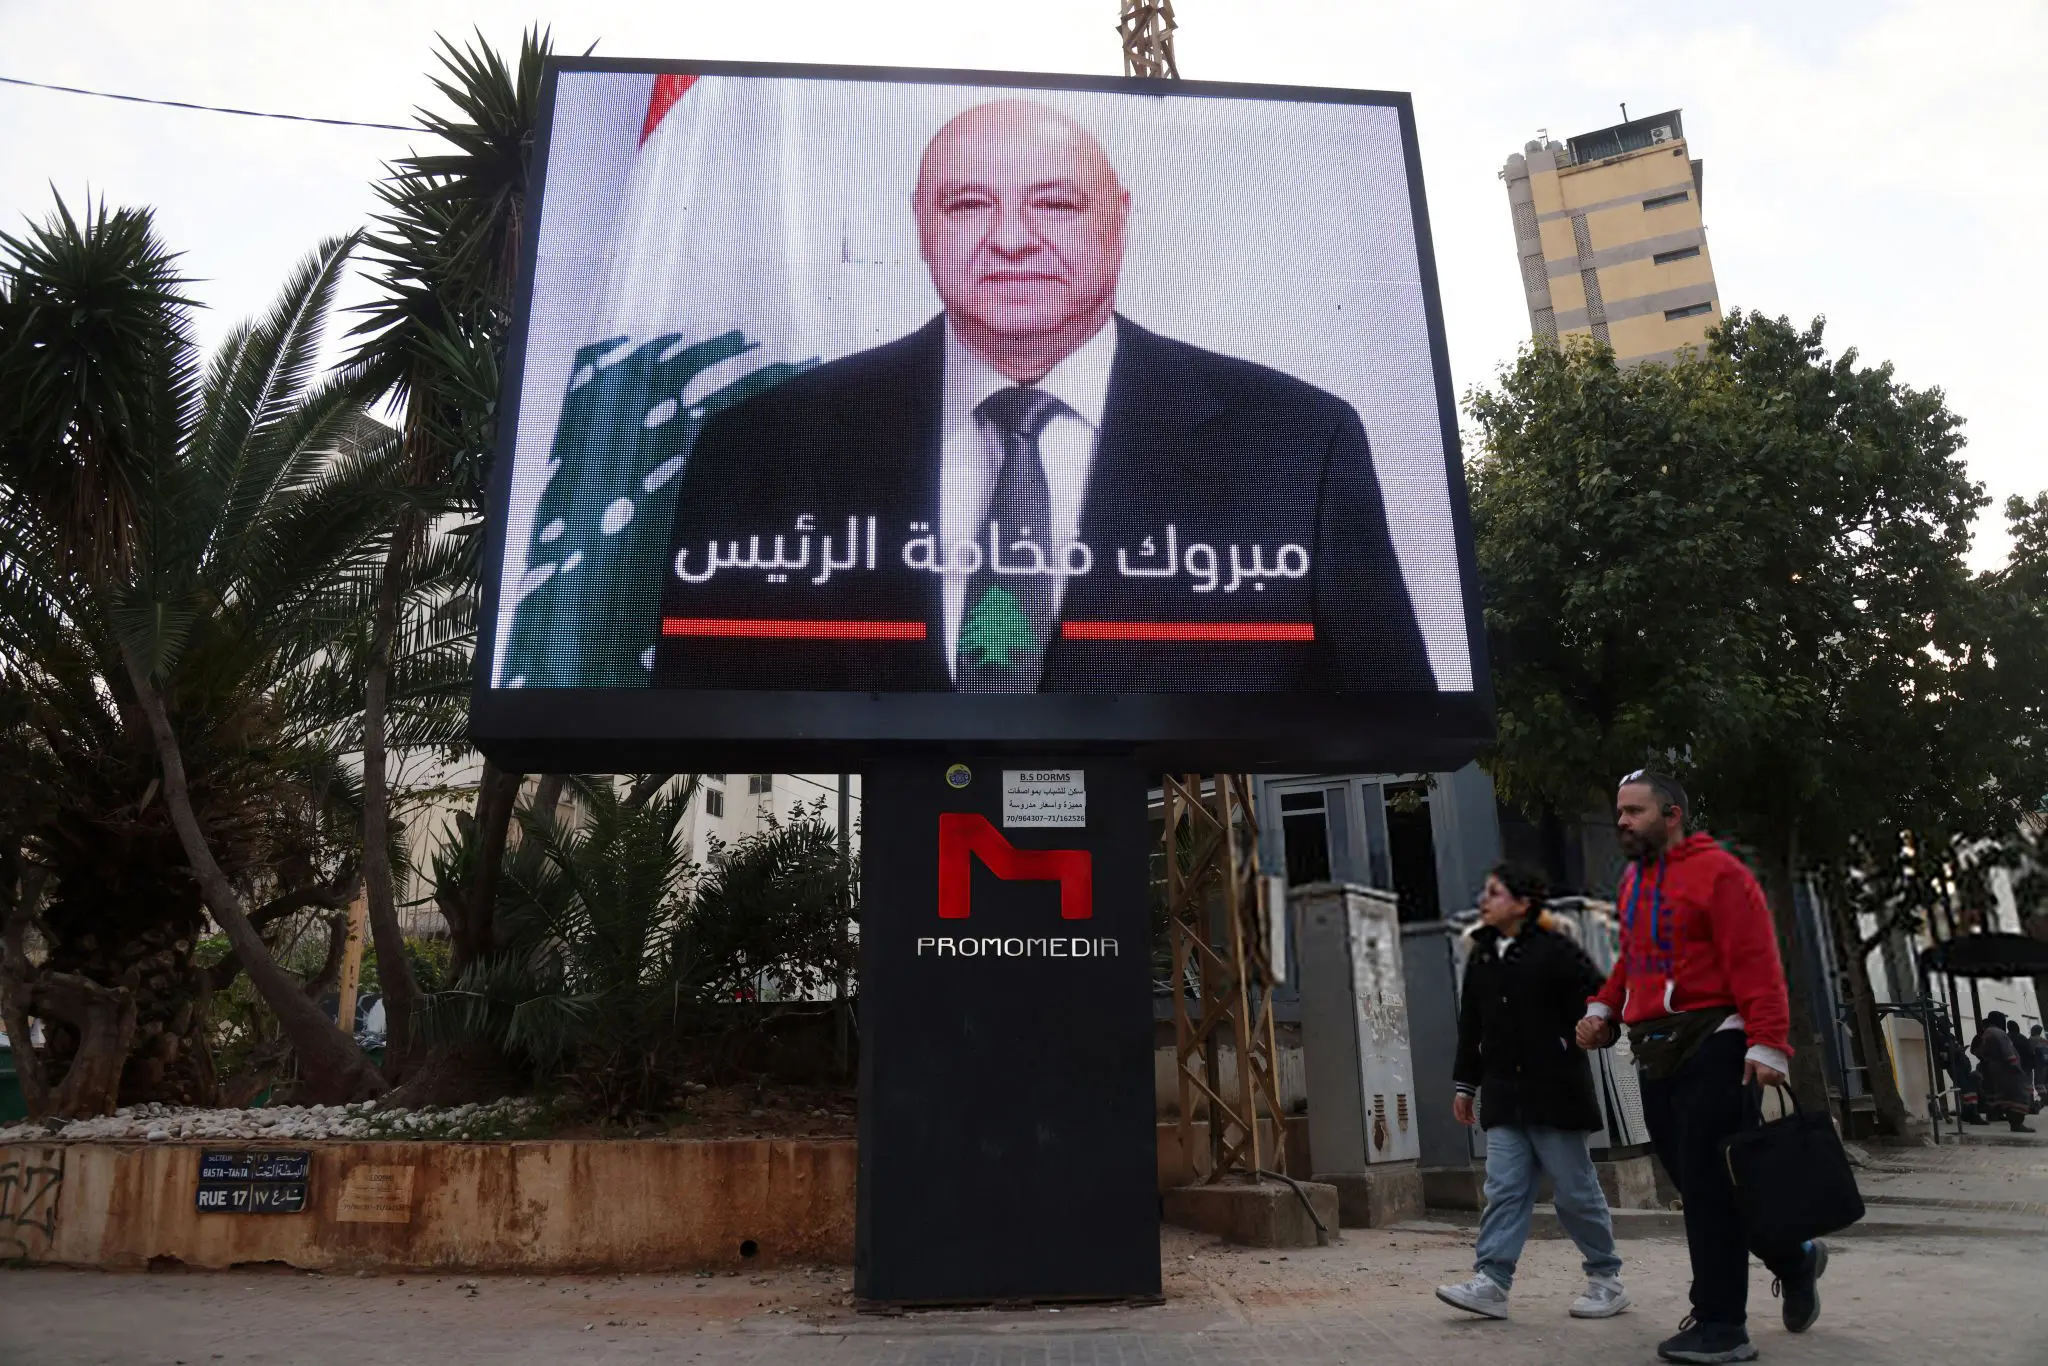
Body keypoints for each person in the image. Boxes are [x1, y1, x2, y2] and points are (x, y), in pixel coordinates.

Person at [655, 99, 1431, 694]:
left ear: (1118, 221)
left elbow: (1392, 709)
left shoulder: (1297, 443)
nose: (1012, 239)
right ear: (921, 223)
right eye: (968, 205)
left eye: (1056, 204)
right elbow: (699, 700)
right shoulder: (762, 443)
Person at [1574, 771, 1826, 1365]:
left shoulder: (1721, 873)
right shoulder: (1634, 881)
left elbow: (1757, 959)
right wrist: (1603, 1008)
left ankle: (1722, 1326)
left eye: (1635, 811)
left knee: (1712, 1189)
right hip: (1655, 1048)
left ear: (1673, 815)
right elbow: (1633, 960)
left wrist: (1768, 1043)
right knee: (1701, 1187)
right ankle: (1795, 1259)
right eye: (1619, 811)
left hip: (1717, 1045)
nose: (1622, 821)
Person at [1436, 863, 1630, 1322]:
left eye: (1495, 893)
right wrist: (1465, 1085)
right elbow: (1471, 1026)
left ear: (1523, 904)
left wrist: (1595, 1033)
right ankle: (1491, 1282)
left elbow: (1601, 1004)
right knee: (1504, 1189)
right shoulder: (1482, 955)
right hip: (1504, 1094)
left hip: (1555, 1092)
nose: (1483, 901)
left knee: (1574, 1192)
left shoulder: (1557, 950)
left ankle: (1606, 1279)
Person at [1973, 1012, 2034, 1132]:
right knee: (2019, 1096)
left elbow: (1979, 1051)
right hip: (2009, 1070)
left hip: (1996, 1069)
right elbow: (2007, 1050)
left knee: (2006, 1097)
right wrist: (2016, 1066)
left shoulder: (1986, 1033)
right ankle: (2017, 1123)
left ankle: (2012, 1121)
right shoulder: (1999, 1033)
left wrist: (1988, 1061)